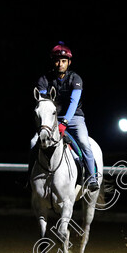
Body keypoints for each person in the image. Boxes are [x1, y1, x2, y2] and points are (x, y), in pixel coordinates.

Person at [32, 42, 99, 191]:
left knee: (84, 144)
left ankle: (91, 178)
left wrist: (66, 122)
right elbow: (43, 102)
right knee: (33, 143)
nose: (60, 64)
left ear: (69, 62)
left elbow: (73, 103)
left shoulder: (76, 79)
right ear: (53, 61)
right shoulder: (44, 80)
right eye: (57, 60)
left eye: (63, 61)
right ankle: (29, 178)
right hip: (52, 119)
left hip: (74, 118)